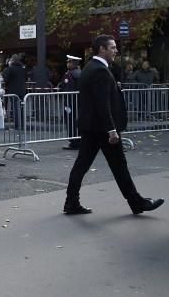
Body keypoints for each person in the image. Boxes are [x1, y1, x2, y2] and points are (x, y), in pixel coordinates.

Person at [64, 35, 165, 215]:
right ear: (102, 49)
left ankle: (71, 202)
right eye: (112, 47)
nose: (116, 50)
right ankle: (137, 203)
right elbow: (102, 103)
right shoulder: (100, 70)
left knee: (82, 165)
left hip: (91, 127)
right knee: (119, 166)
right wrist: (111, 129)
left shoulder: (91, 68)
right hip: (103, 128)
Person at [60, 55, 82, 150]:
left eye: (68, 62)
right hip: (79, 102)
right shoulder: (80, 73)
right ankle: (78, 140)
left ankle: (74, 142)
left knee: (70, 122)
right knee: (77, 122)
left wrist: (66, 103)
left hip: (70, 103)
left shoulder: (69, 74)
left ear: (72, 63)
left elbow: (68, 90)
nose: (67, 64)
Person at [2, 54, 26, 130]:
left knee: (15, 108)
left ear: (11, 61)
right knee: (21, 108)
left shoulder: (10, 69)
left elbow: (6, 79)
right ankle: (22, 124)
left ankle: (17, 126)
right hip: (22, 91)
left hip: (13, 91)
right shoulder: (22, 68)